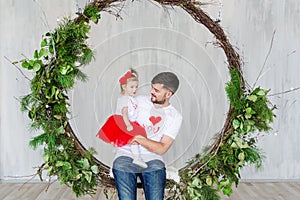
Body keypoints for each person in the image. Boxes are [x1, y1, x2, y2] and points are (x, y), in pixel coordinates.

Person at [112, 71, 182, 200]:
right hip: (126, 155)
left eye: (156, 90)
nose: (151, 92)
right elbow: (119, 120)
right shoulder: (138, 101)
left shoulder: (174, 116)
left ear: (168, 94)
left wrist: (139, 138)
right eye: (152, 88)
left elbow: (162, 148)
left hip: (152, 160)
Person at [97, 68, 148, 168]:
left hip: (129, 122)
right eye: (132, 87)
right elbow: (124, 113)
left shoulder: (131, 99)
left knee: (134, 140)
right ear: (124, 87)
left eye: (136, 87)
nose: (135, 89)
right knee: (135, 139)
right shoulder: (125, 99)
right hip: (124, 122)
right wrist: (128, 125)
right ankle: (137, 158)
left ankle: (132, 155)